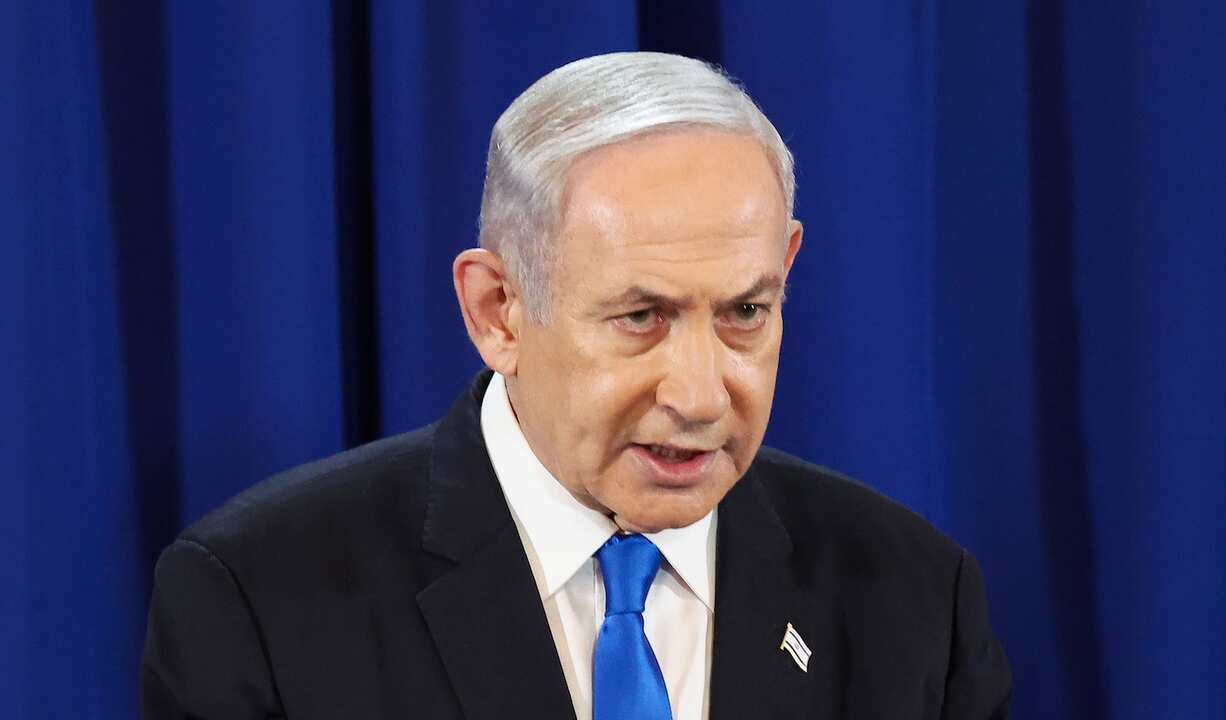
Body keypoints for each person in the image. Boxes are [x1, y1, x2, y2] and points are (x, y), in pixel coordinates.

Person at [141, 52, 1011, 719]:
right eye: (642, 318)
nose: (703, 395)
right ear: (498, 311)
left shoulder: (914, 599)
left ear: (786, 267)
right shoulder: (260, 596)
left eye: (747, 310)